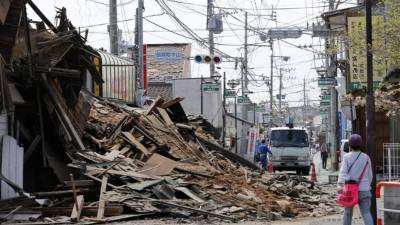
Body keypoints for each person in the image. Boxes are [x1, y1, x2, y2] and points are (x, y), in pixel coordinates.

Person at [338, 134, 373, 225]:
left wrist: (342, 184)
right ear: (361, 145)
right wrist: (366, 185)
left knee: (348, 213)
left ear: (349, 145)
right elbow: (370, 175)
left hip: (350, 190)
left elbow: (343, 173)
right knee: (366, 213)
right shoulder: (366, 157)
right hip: (364, 190)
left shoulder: (347, 157)